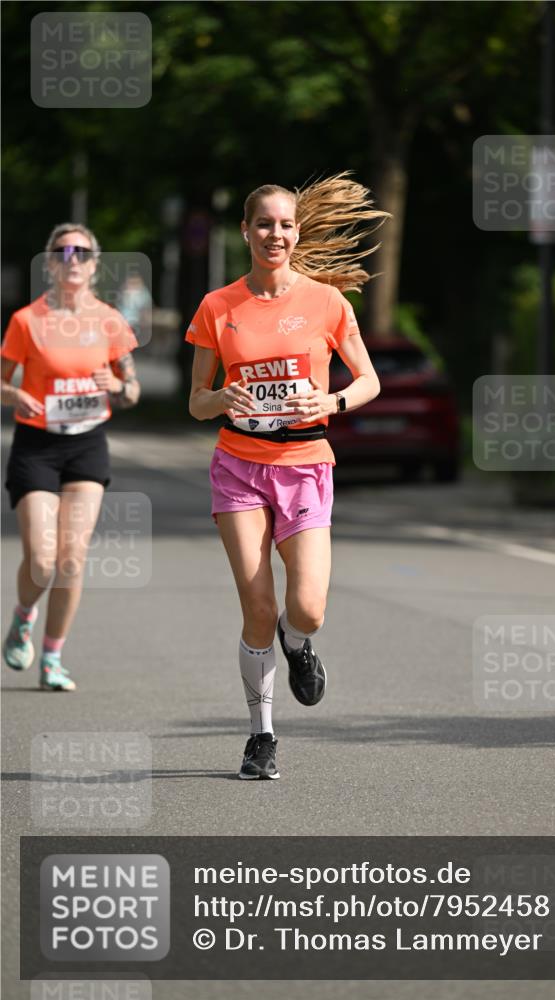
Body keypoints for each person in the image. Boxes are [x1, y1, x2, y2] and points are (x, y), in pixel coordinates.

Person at [187, 173, 388, 780]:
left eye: (285, 224)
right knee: (257, 606)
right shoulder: (217, 306)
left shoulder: (327, 302)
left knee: (308, 608)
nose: (275, 234)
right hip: (239, 467)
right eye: (264, 224)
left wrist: (332, 402)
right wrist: (222, 397)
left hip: (304, 466)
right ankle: (262, 736)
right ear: (245, 231)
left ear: (297, 233)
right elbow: (196, 401)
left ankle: (296, 643)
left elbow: (368, 380)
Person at [1, 223, 141, 691]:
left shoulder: (109, 320)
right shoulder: (27, 321)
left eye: (81, 252)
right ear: (50, 263)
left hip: (86, 444)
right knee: (43, 561)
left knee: (72, 559)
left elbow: (132, 390)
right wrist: (14, 394)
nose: (72, 259)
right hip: (37, 446)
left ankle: (52, 658)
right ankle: (23, 615)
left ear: (94, 264)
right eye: (62, 252)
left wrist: (117, 385)